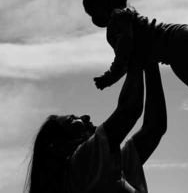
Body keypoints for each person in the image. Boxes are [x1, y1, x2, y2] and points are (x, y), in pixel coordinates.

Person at [26, 62, 165, 193]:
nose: (85, 117)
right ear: (57, 145)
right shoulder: (81, 164)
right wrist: (141, 55)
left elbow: (154, 128)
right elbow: (130, 110)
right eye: (72, 120)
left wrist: (149, 59)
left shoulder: (105, 169)